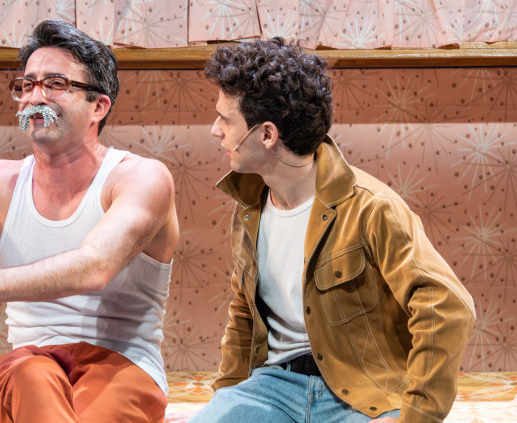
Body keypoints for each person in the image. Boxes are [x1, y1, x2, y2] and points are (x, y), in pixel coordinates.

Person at [0, 20, 179, 423]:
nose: (34, 97)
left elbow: (95, 266)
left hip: (123, 363)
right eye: (26, 85)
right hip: (29, 363)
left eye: (55, 84)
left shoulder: (141, 178)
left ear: (99, 106)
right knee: (29, 373)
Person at [189, 38, 476, 423]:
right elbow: (243, 315)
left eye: (225, 119)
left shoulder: (372, 207)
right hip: (272, 388)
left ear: (267, 134)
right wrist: (226, 402)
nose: (215, 130)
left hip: (364, 392)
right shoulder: (249, 209)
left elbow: (446, 305)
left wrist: (418, 416)